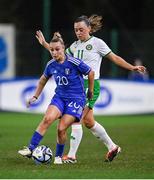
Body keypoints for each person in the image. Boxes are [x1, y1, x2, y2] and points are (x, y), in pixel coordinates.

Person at [35, 15, 146, 163]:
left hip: (92, 85)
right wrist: (44, 43)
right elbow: (58, 52)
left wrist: (132, 67)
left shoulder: (97, 43)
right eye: (76, 30)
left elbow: (114, 58)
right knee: (88, 121)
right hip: (78, 87)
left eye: (81, 29)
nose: (78, 32)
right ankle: (112, 147)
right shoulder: (74, 46)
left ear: (89, 28)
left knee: (76, 119)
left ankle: (72, 156)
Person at [18, 32, 94, 164]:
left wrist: (91, 91)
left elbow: (91, 72)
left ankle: (58, 157)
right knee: (47, 119)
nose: (54, 52)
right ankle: (30, 149)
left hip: (76, 99)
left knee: (61, 128)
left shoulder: (74, 62)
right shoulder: (51, 64)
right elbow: (43, 80)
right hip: (59, 97)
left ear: (63, 49)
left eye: (57, 49)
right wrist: (35, 96)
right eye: (52, 50)